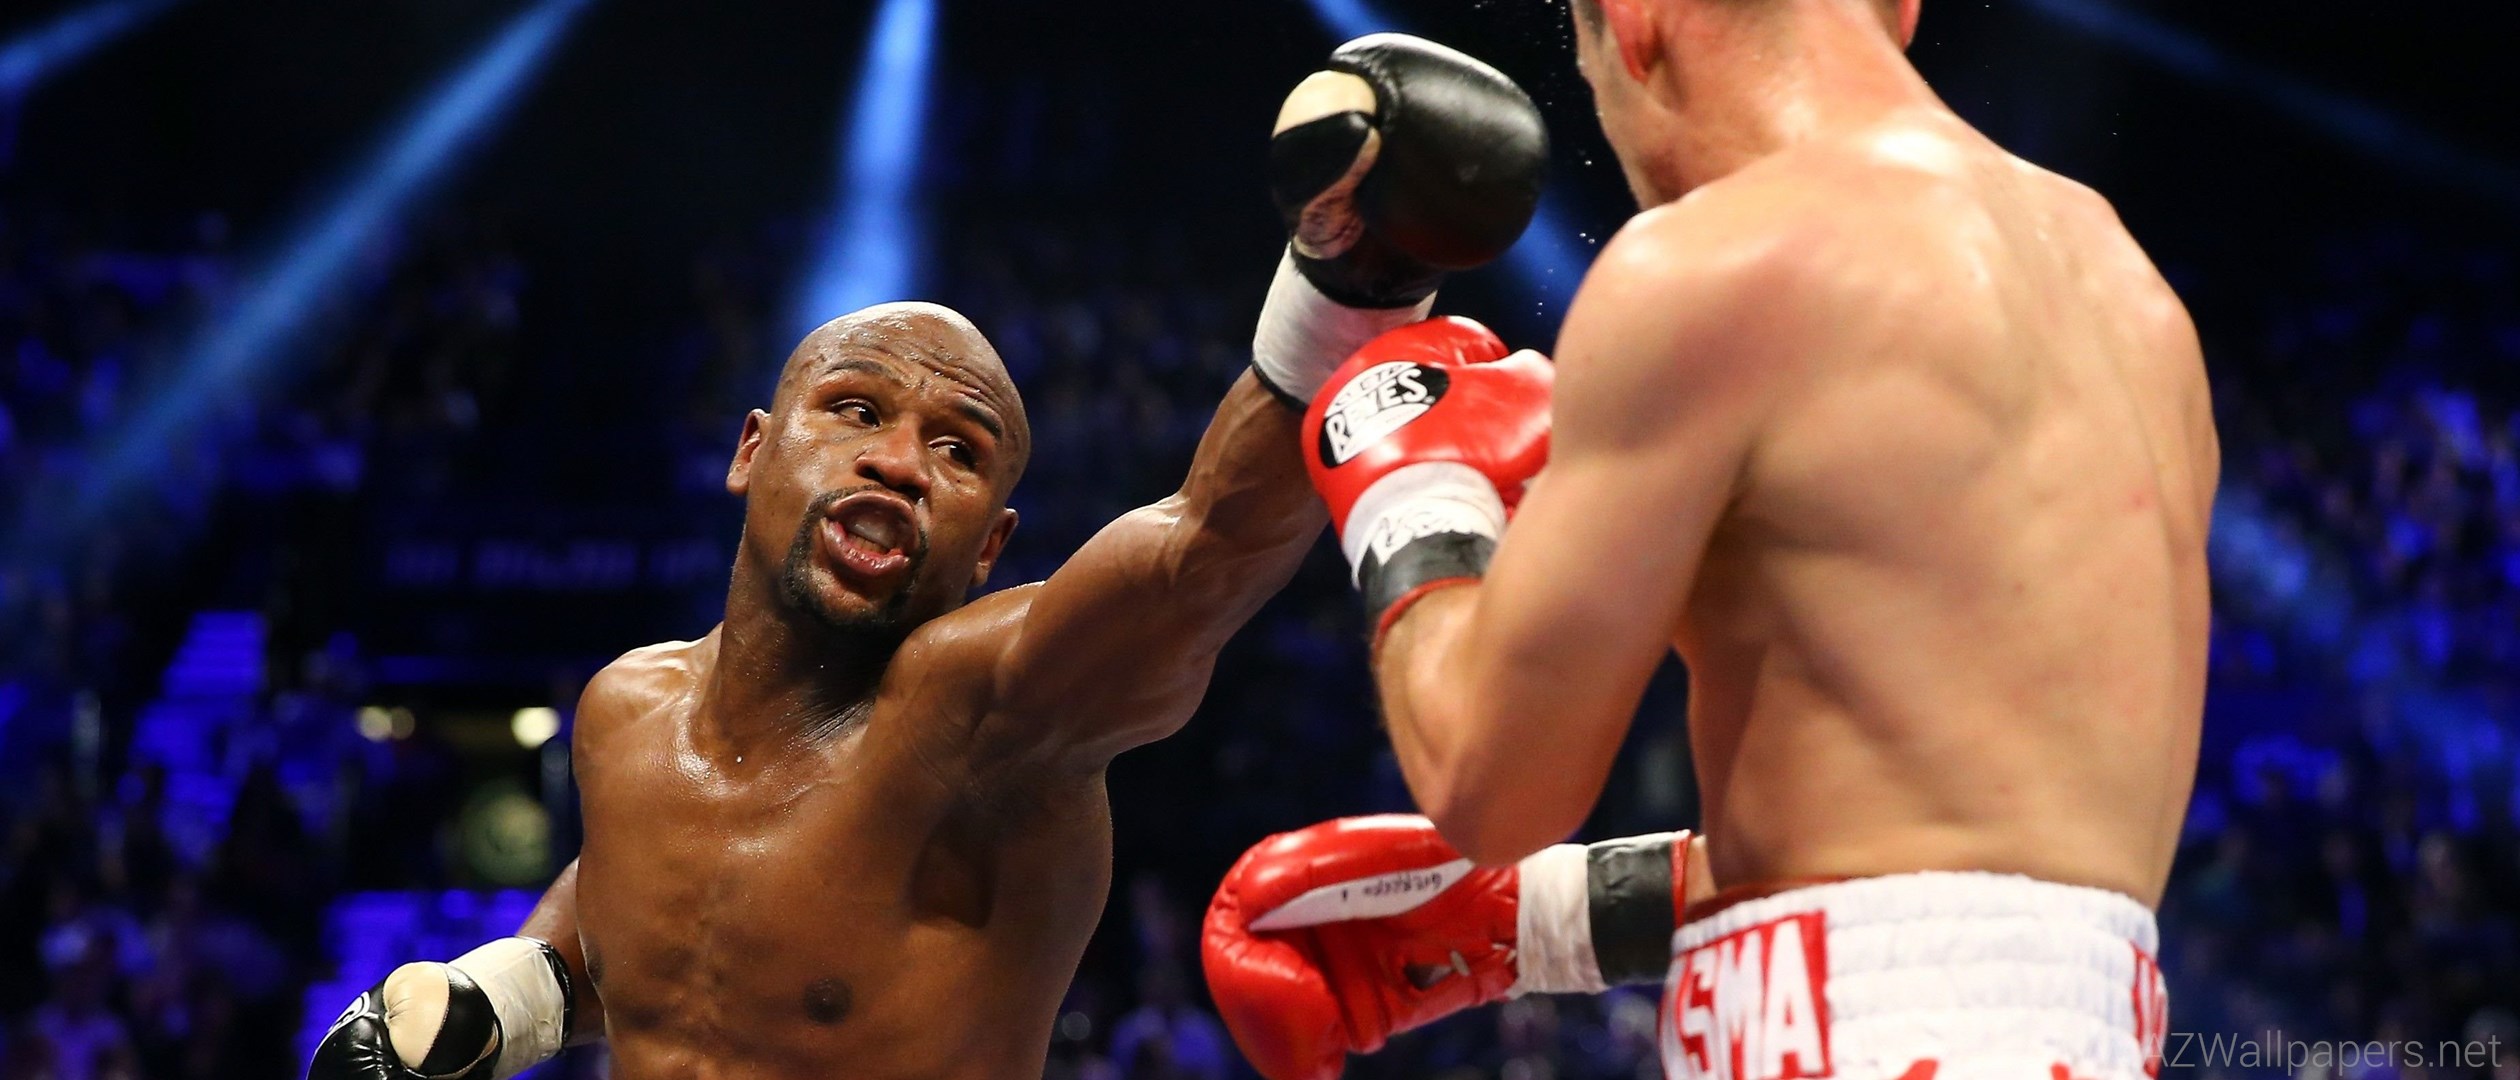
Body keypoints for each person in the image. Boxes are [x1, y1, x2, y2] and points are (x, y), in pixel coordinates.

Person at [302, 34, 1547, 1080]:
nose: (900, 461)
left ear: (992, 545)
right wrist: (497, 1004)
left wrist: (1353, 277)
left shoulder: (988, 724)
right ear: (752, 450)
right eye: (856, 410)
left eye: (959, 450)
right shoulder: (625, 713)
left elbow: (1198, 554)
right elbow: (643, 925)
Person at [1202, 0, 2217, 1078]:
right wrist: (1546, 920)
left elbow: (1489, 785)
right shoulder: (2129, 296)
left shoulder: (1713, 266)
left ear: (1637, 20)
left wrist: (1415, 492)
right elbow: (1980, 893)